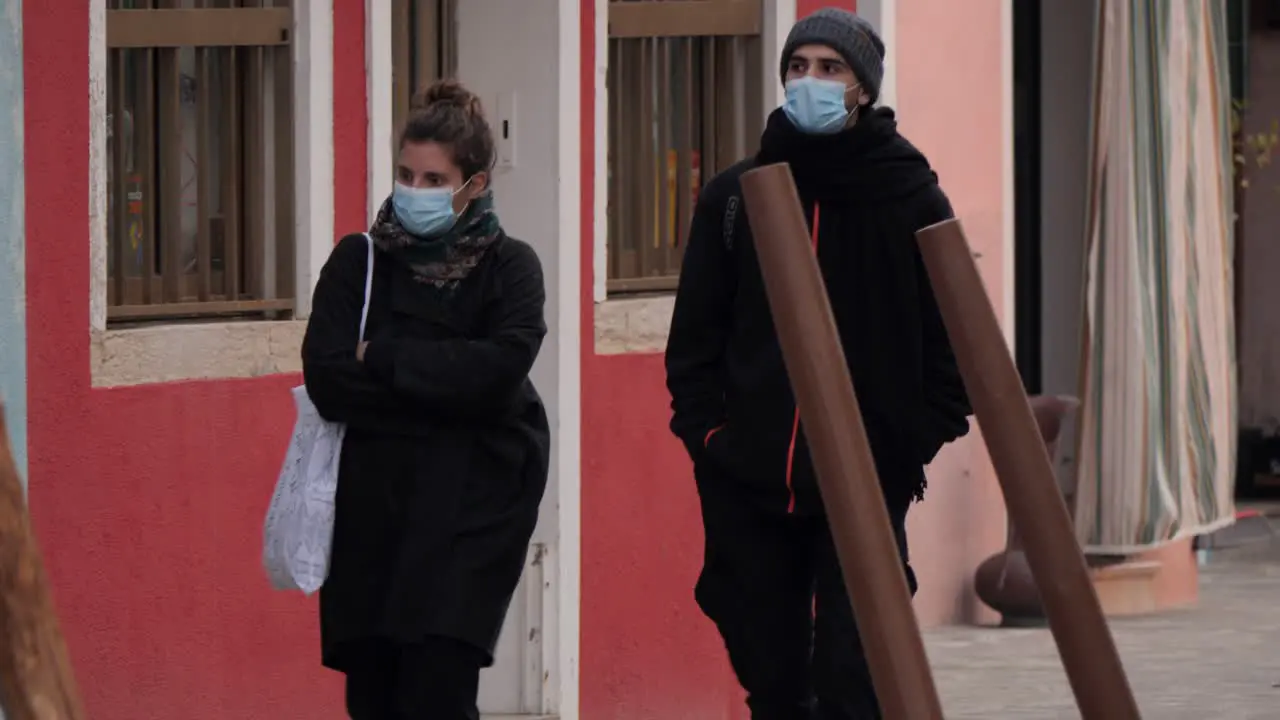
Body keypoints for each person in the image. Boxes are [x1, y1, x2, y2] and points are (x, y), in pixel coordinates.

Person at [665, 9, 972, 719]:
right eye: (797, 68)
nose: (810, 82)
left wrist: (905, 445)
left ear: (863, 87)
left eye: (830, 68)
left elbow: (950, 344)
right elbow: (695, 343)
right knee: (767, 666)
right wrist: (713, 439)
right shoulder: (736, 197)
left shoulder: (909, 194)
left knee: (853, 670)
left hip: (866, 478)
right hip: (752, 474)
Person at [301, 79, 549, 720]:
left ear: (475, 184)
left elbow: (498, 374)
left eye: (434, 180)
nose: (414, 192)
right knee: (376, 699)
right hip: (371, 523)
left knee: (438, 691)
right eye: (406, 175)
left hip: (468, 521)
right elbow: (328, 380)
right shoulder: (360, 264)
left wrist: (380, 358)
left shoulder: (510, 269)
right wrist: (445, 387)